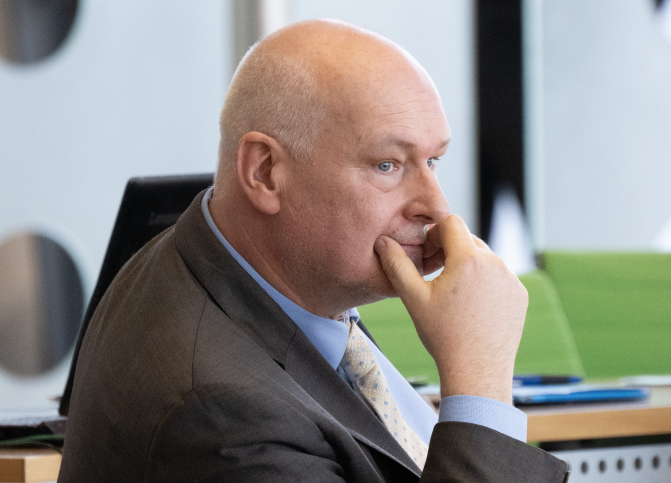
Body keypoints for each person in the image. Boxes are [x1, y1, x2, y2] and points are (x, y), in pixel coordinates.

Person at [59, 19, 569, 482]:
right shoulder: (222, 416)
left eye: (432, 162)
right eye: (387, 165)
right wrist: (481, 385)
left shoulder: (255, 275)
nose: (436, 207)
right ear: (265, 172)